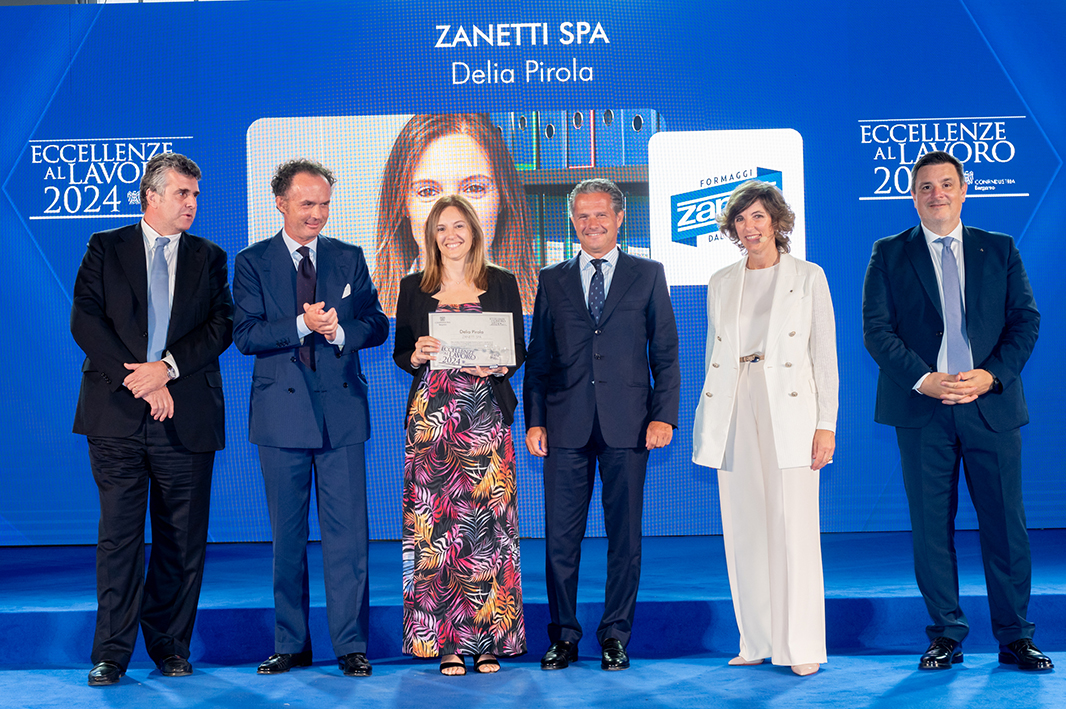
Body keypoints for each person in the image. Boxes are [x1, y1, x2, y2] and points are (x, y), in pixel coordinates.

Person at [862, 151, 1049, 671]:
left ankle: (1016, 637)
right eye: (925, 186)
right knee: (930, 529)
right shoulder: (889, 253)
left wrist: (991, 376)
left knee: (1006, 526)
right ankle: (945, 634)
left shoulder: (1000, 248)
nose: (937, 194)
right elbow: (877, 330)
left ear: (964, 190)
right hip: (923, 409)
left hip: (990, 405)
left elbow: (1025, 320)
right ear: (913, 196)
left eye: (946, 184)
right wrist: (925, 379)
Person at [71, 152, 233, 686]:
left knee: (181, 540)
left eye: (196, 195)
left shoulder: (209, 256)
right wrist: (139, 380)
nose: (192, 204)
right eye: (182, 193)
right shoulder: (105, 246)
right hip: (116, 415)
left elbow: (221, 326)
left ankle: (170, 646)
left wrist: (165, 370)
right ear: (151, 196)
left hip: (185, 414)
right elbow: (85, 319)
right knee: (119, 538)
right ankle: (111, 654)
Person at [232, 159, 389, 678]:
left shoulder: (349, 257)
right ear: (280, 203)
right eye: (306, 204)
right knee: (288, 539)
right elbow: (246, 336)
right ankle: (290, 643)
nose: (317, 214)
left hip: (342, 417)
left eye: (324, 204)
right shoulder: (252, 262)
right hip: (281, 417)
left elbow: (376, 323)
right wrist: (302, 324)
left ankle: (350, 644)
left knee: (349, 539)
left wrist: (341, 333)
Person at [524, 178, 680, 672]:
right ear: (572, 221)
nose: (592, 223)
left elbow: (665, 354)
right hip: (564, 425)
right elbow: (538, 358)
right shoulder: (551, 278)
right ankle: (564, 637)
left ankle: (615, 635)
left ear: (619, 219)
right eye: (583, 215)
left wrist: (663, 415)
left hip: (629, 425)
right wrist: (534, 421)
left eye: (601, 214)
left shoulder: (648, 274)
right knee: (560, 540)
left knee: (625, 537)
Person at [691, 180, 837, 677]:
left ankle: (801, 645)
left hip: (790, 408)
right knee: (744, 527)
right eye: (740, 218)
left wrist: (826, 424)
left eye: (758, 216)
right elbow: (714, 355)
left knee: (794, 527)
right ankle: (756, 638)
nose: (749, 227)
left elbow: (824, 356)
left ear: (777, 221)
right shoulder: (721, 281)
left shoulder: (808, 276)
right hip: (735, 403)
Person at [393, 193, 527, 676]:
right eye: (441, 228)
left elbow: (517, 348)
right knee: (438, 532)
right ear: (430, 236)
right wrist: (417, 354)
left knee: (488, 530)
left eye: (458, 226)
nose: (450, 236)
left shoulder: (502, 282)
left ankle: (489, 640)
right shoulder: (413, 286)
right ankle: (446, 643)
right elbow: (401, 352)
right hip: (433, 422)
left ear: (474, 230)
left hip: (485, 420)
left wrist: (500, 365)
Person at [373, 113, 536, 316]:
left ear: (502, 197)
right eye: (427, 192)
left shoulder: (548, 307)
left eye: (474, 188)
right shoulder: (364, 311)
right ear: (403, 205)